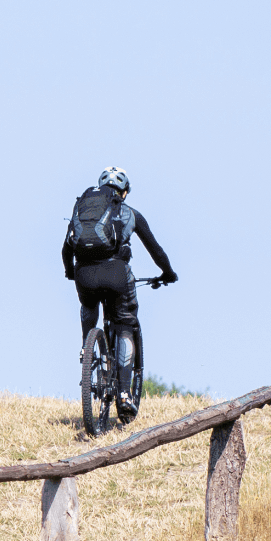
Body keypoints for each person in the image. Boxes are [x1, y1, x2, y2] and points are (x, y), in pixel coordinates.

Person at [60, 167, 176, 422]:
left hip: (85, 275)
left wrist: (70, 272)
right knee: (125, 324)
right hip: (116, 274)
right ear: (124, 193)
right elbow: (156, 250)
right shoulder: (129, 214)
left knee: (89, 303)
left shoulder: (84, 212)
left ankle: (86, 347)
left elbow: (66, 249)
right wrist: (168, 273)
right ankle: (124, 394)